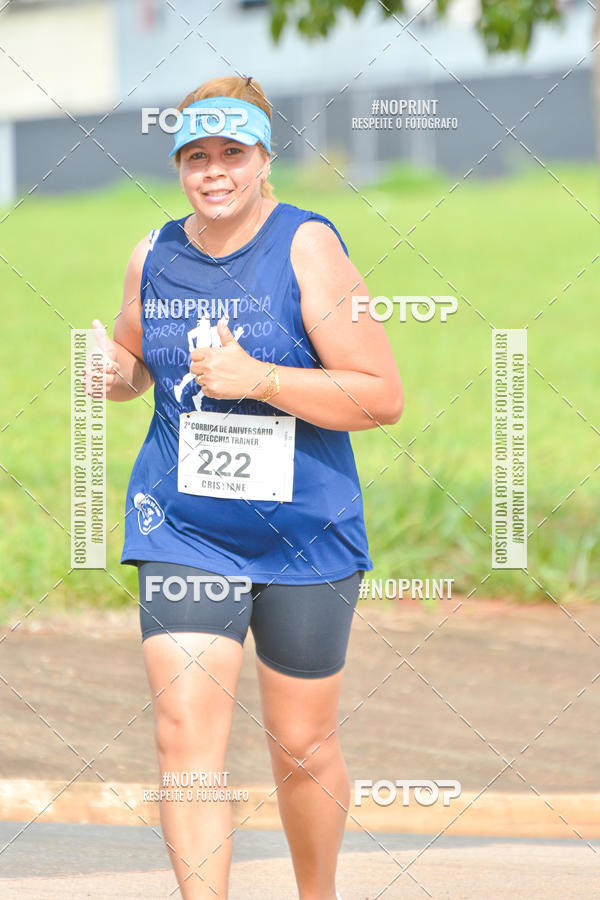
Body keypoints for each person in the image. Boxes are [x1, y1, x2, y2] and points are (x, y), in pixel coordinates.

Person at [89, 75, 403, 900]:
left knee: (303, 746)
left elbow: (379, 394)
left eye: (233, 153)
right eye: (196, 155)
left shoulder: (306, 246)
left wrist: (259, 378)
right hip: (183, 527)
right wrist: (113, 373)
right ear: (178, 164)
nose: (214, 170)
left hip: (304, 529)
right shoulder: (152, 255)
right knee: (185, 735)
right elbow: (133, 360)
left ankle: (317, 893)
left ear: (265, 159)